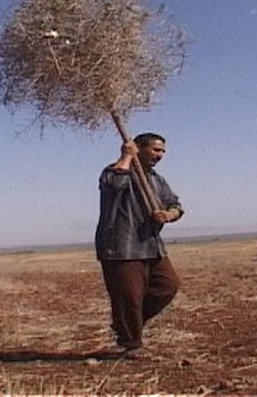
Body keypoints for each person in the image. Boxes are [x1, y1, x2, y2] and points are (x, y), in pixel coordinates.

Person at [95, 132, 184, 355]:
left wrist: (169, 215)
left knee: (167, 286)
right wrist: (126, 157)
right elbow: (114, 185)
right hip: (122, 247)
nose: (160, 155)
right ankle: (131, 344)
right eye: (155, 150)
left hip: (151, 245)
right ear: (138, 148)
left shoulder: (157, 180)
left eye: (162, 151)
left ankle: (125, 323)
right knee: (130, 297)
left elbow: (176, 205)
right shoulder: (113, 171)